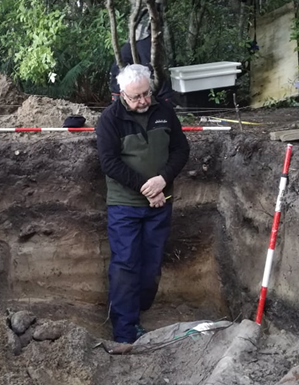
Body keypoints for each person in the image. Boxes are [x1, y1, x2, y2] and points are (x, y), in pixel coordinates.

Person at [96, 64, 190, 350]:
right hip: (125, 206)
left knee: (151, 265)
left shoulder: (164, 111)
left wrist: (162, 180)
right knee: (125, 264)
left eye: (146, 94)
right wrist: (146, 188)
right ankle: (125, 332)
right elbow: (109, 163)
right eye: (136, 97)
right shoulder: (109, 120)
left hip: (161, 202)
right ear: (122, 93)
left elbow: (181, 149)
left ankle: (138, 310)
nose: (143, 101)